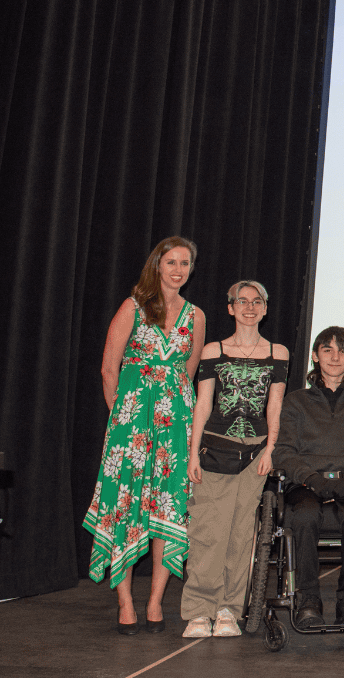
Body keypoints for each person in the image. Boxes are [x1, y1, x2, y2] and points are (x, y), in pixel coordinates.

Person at [84, 236, 207, 635]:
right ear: (157, 265)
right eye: (171, 261)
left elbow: (188, 373)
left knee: (167, 510)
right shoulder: (132, 307)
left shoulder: (196, 316)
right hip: (130, 427)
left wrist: (174, 415)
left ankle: (154, 602)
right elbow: (108, 369)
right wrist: (125, 416)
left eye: (184, 263)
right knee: (125, 505)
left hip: (175, 426)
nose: (177, 269)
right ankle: (125, 603)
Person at [180, 281, 289, 638]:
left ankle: (228, 608)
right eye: (242, 301)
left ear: (266, 308)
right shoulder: (214, 350)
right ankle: (199, 609)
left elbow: (275, 405)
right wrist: (193, 452)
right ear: (230, 308)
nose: (249, 307)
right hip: (215, 448)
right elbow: (203, 404)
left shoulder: (278, 353)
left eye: (257, 301)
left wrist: (272, 448)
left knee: (242, 534)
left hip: (255, 453)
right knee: (209, 531)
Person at [272, 327, 344, 628]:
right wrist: (312, 479)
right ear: (315, 355)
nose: (335, 357)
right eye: (327, 350)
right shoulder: (296, 402)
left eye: (342, 351)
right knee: (305, 516)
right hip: (307, 483)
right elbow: (284, 451)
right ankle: (308, 598)